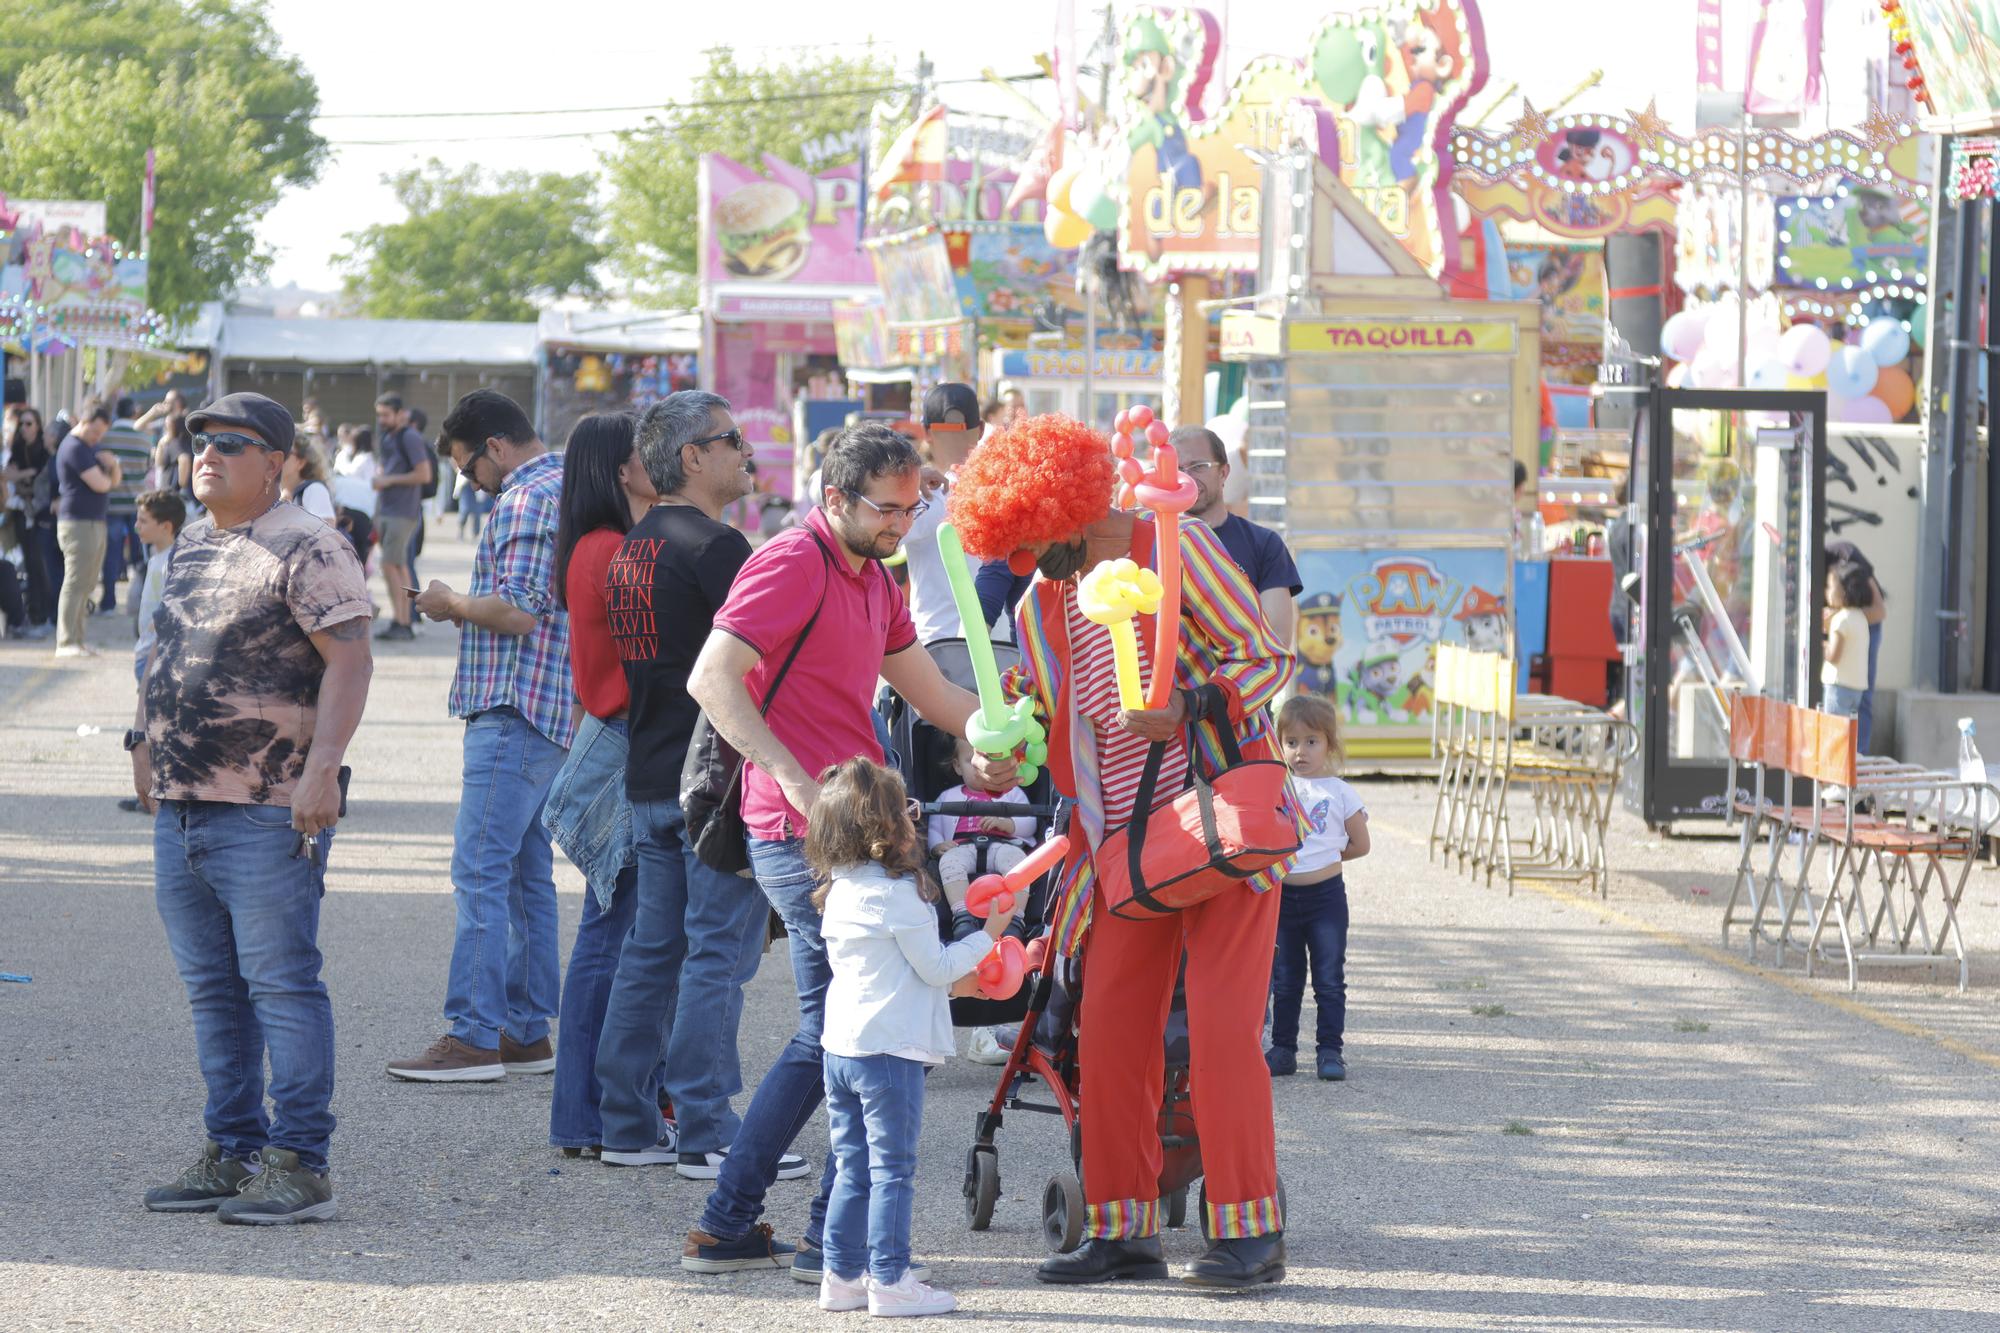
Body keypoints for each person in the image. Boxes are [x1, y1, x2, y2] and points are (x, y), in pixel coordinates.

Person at [947, 412, 1297, 1289]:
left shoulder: (1175, 548)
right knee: (1107, 1035)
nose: (1024, 558)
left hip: (1218, 821)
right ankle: (1121, 1230)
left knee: (1220, 1035)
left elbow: (1266, 658)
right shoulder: (1043, 602)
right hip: (1120, 842)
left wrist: (1193, 705)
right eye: (1013, 543)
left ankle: (1251, 1231)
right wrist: (990, 752)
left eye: (1032, 538)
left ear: (1071, 504)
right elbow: (1022, 712)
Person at [679, 420, 1018, 1278]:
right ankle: (820, 1238)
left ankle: (751, 1225)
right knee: (850, 1029)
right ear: (835, 497)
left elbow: (928, 686)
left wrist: (978, 742)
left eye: (912, 509)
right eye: (888, 509)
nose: (902, 525)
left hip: (855, 829)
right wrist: (792, 780)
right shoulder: (792, 561)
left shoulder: (872, 575)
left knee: (833, 1027)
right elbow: (712, 677)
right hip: (802, 832)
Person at [130, 391, 373, 1223]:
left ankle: (301, 1160)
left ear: (277, 462)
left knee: (281, 985)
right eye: (201, 441)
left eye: (231, 443)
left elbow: (349, 662)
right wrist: (141, 735)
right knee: (214, 991)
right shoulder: (195, 540)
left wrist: (324, 770)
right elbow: (168, 647)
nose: (208, 454)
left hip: (270, 808)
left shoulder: (309, 544)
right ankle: (233, 1149)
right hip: (185, 806)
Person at [595, 393, 784, 1176]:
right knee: (715, 956)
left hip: (648, 772)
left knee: (653, 950)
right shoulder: (716, 547)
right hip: (710, 782)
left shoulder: (635, 544)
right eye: (730, 439)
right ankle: (706, 1126)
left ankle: (627, 1120)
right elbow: (761, 664)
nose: (745, 450)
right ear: (691, 458)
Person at [387, 390, 572, 1082]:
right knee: (525, 876)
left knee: (480, 870)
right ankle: (524, 1030)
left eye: (468, 467)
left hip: (514, 706)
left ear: (496, 446)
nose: (469, 482)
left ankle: (472, 1035)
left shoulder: (525, 499)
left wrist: (449, 603)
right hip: (545, 708)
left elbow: (520, 611)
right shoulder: (559, 487)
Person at [809, 756, 1016, 1317]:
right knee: (892, 1171)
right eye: (907, 811)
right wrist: (991, 934)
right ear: (890, 827)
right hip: (889, 1052)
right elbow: (937, 967)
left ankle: (841, 1274)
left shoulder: (840, 891)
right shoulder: (901, 897)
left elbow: (897, 971)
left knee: (852, 1166)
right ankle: (891, 1278)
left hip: (843, 1047)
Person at [539, 413, 654, 1157]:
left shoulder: (591, 546)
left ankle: (583, 1114)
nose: (657, 461)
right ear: (619, 469)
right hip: (626, 745)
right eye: (644, 452)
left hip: (607, 738)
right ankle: (589, 1114)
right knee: (614, 940)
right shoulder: (614, 550)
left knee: (607, 938)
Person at [1266, 693, 1369, 1082]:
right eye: (1291, 742)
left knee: (1328, 978)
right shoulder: (1277, 786)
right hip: (1283, 899)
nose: (1301, 751)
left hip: (1326, 899)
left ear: (1329, 743)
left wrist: (1325, 860)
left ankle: (1330, 1051)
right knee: (1285, 979)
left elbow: (1361, 844)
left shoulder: (1340, 792)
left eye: (1311, 742)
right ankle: (1283, 1050)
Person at [927, 734, 1036, 1067]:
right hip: (962, 848)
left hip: (1004, 846)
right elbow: (935, 827)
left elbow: (1029, 820)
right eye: (969, 761)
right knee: (949, 864)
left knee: (1019, 864)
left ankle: (1014, 915)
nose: (978, 767)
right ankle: (961, 913)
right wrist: (938, 846)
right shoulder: (948, 797)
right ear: (957, 767)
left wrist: (1007, 822)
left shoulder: (1012, 792)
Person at [1170, 425, 1300, 644]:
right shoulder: (1155, 542)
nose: (1186, 478)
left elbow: (1278, 640)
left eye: (1198, 466)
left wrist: (1224, 679)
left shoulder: (1264, 545)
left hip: (1240, 677)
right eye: (1176, 469)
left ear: (1223, 472)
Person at [53, 398, 121, 657]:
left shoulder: (89, 447)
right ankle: (67, 641)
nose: (97, 438)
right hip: (78, 522)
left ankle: (78, 640)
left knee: (87, 583)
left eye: (101, 434)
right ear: (84, 421)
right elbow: (102, 484)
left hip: (93, 521)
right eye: (95, 432)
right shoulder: (74, 448)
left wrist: (112, 466)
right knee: (75, 582)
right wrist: (110, 468)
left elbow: (114, 480)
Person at [370, 393, 432, 642]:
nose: (382, 420)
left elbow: (424, 474)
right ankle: (404, 620)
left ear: (399, 413)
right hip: (389, 510)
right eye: (380, 415)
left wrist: (390, 480)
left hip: (402, 512)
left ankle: (402, 620)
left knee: (390, 565)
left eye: (386, 415)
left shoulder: (410, 437)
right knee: (399, 566)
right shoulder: (390, 437)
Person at [1825, 540, 1886, 752]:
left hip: (1864, 624)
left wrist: (1842, 618)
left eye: (1828, 587)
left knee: (1862, 698)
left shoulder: (1845, 555)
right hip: (1839, 626)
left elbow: (1879, 611)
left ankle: (1858, 756)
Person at [97, 397, 154, 617]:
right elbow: (147, 468)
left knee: (111, 555)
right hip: (137, 504)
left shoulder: (106, 438)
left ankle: (109, 602)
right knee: (139, 556)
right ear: (134, 414)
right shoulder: (145, 438)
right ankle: (141, 600)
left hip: (112, 504)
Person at [4, 404, 56, 634]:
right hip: (21, 513)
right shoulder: (16, 448)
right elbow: (7, 475)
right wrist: (26, 474)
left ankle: (44, 613)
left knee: (39, 564)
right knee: (27, 563)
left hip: (40, 513)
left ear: (37, 426)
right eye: (21, 424)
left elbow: (40, 476)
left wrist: (22, 475)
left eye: (29, 423)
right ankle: (34, 613)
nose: (24, 428)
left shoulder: (43, 449)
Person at [1822, 563, 1873, 726]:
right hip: (1856, 687)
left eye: (1830, 587)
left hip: (1838, 686)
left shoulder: (1841, 620)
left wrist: (1820, 645)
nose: (1827, 592)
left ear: (1844, 591)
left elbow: (1834, 656)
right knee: (1847, 733)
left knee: (1833, 730)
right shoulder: (1860, 617)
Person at [331, 426, 378, 564]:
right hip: (360, 507)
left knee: (358, 548)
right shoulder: (357, 458)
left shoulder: (363, 459)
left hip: (359, 507)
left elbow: (347, 473)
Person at [281, 437, 337, 526]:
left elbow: (325, 532)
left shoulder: (314, 489)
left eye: (285, 452)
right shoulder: (274, 491)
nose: (278, 456)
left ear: (300, 463)